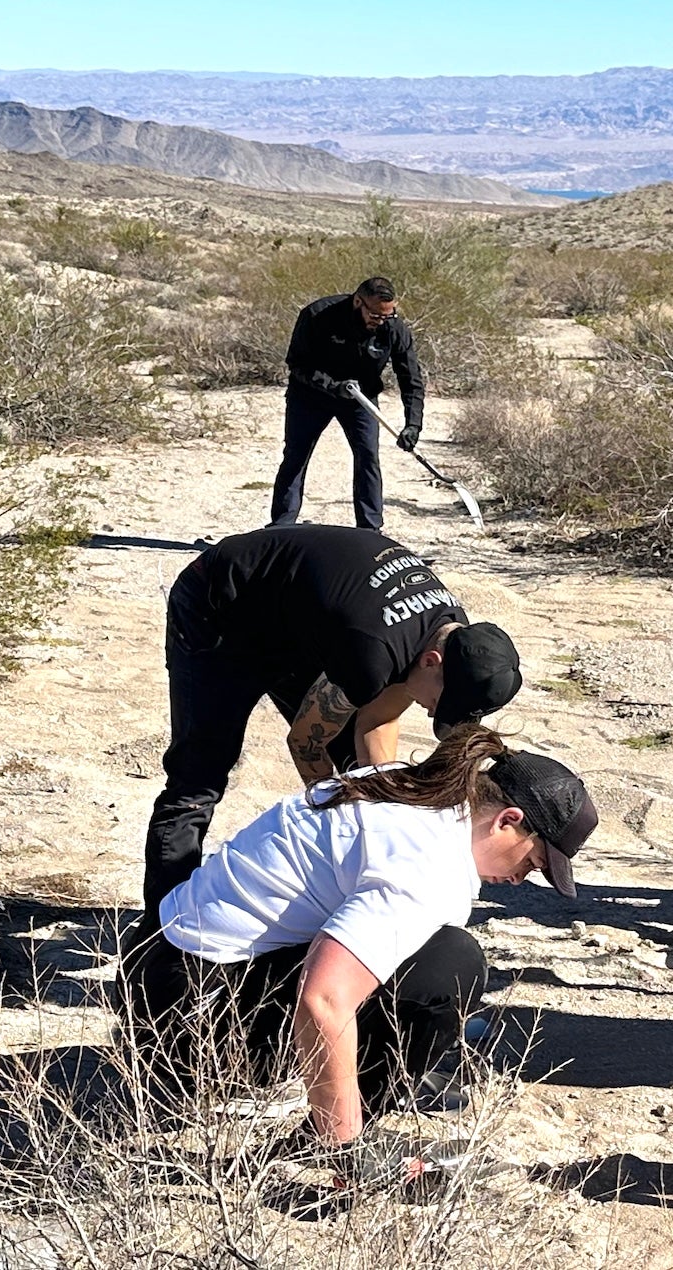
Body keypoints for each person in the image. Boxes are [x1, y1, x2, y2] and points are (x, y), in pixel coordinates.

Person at [121, 726, 599, 1175]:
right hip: (194, 1039)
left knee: (409, 955)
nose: (522, 879)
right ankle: (332, 1136)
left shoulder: (402, 786)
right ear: (507, 821)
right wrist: (345, 1148)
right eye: (534, 861)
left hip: (155, 980)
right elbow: (323, 999)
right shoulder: (431, 867)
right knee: (451, 966)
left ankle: (345, 1101)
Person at [143, 524, 522, 914]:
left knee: (351, 770)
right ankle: (158, 940)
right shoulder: (373, 654)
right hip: (220, 608)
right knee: (197, 781)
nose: (430, 712)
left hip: (292, 625)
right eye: (440, 702)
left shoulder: (451, 633)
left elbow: (377, 721)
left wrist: (390, 814)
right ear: (432, 662)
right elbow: (304, 744)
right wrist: (339, 819)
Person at [271, 275, 425, 531]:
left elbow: (411, 378)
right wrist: (333, 386)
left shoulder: (394, 328)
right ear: (358, 302)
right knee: (296, 456)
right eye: (376, 315)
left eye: (389, 315)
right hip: (310, 396)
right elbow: (297, 363)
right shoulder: (318, 315)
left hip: (360, 400)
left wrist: (413, 424)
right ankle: (280, 527)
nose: (382, 321)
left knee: (368, 458)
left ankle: (370, 530)